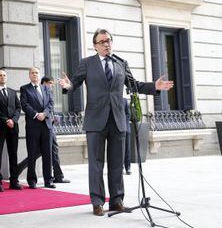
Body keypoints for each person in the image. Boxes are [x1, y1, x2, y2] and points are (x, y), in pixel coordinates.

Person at [59, 28, 173, 216]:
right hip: (95, 120)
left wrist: (155, 86)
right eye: (102, 41)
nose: (106, 44)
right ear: (95, 45)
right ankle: (97, 202)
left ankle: (116, 200)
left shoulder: (120, 63)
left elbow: (134, 85)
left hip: (118, 119)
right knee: (96, 164)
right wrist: (68, 85)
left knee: (116, 163)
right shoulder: (87, 63)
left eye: (109, 40)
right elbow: (75, 83)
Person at [20, 67, 55, 189]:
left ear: (39, 75)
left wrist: (44, 114)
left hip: (46, 124)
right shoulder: (25, 89)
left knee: (47, 153)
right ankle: (32, 180)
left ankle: (48, 180)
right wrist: (36, 114)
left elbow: (51, 103)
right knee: (32, 153)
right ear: (29, 75)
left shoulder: (46, 88)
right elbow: (24, 105)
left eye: (36, 73)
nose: (35, 74)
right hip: (33, 125)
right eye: (32, 73)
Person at [0, 70, 22, 192]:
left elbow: (18, 108)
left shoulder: (13, 92)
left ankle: (14, 181)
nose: (2, 77)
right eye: (0, 75)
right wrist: (6, 120)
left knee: (13, 155)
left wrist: (13, 120)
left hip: (13, 127)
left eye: (4, 75)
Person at [41, 76, 70, 184]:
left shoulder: (50, 93)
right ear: (43, 83)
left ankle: (58, 176)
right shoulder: (40, 92)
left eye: (53, 83)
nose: (52, 85)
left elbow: (63, 97)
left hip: (50, 126)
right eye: (49, 83)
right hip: (40, 126)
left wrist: (65, 87)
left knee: (54, 150)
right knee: (36, 153)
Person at [123, 98, 132, 175]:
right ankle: (121, 167)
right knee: (119, 150)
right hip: (116, 130)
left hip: (125, 128)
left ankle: (128, 167)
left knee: (127, 149)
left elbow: (128, 114)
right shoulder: (112, 100)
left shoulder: (125, 101)